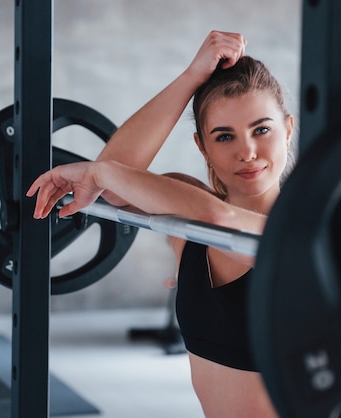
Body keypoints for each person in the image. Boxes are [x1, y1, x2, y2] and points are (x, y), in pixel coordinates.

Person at [28, 30, 294, 418]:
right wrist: (191, 77)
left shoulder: (302, 232)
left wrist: (99, 172)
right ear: (202, 146)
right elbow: (117, 186)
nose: (247, 151)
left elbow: (221, 220)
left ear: (288, 129)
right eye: (224, 136)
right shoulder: (191, 218)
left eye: (262, 129)